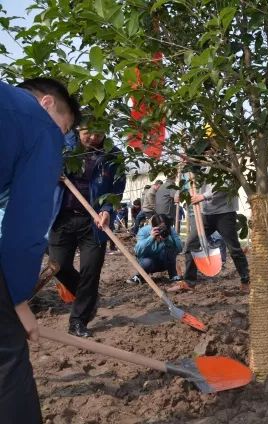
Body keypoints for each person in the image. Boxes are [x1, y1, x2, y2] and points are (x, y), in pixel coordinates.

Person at [0, 77, 80, 424]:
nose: (62, 139)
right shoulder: (39, 124)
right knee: (6, 355)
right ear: (46, 103)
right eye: (65, 129)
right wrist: (17, 300)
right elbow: (27, 222)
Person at [48, 114, 125, 338]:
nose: (92, 138)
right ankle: (89, 298)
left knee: (91, 270)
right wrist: (52, 172)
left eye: (98, 134)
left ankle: (78, 320)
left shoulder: (113, 155)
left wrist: (107, 210)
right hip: (62, 218)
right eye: (87, 133)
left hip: (94, 222)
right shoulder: (62, 147)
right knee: (58, 266)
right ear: (77, 129)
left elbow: (117, 189)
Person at [170, 184, 250, 292]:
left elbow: (225, 185)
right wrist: (182, 194)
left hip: (225, 212)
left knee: (234, 249)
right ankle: (189, 282)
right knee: (191, 244)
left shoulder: (227, 172)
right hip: (206, 213)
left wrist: (203, 196)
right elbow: (192, 184)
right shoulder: (201, 173)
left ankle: (246, 281)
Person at [127, 214, 182, 284]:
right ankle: (140, 276)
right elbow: (138, 251)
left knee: (171, 250)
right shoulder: (144, 231)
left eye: (164, 228)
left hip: (164, 262)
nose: (162, 230)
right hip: (147, 262)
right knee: (147, 262)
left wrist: (168, 239)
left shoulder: (170, 230)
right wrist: (151, 238)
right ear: (153, 226)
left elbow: (179, 248)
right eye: (159, 228)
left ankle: (173, 276)